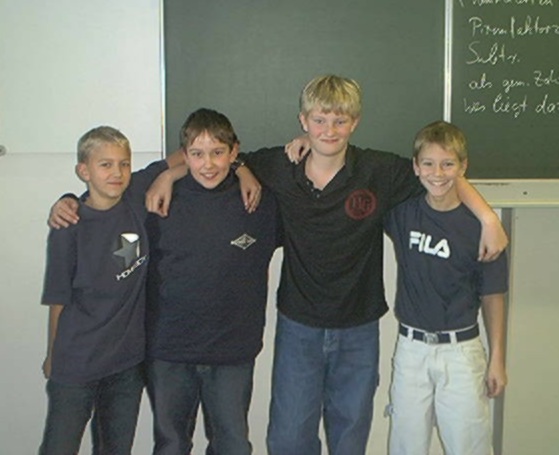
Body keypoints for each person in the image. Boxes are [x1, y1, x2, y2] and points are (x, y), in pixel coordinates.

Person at [146, 75, 508, 455]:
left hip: (359, 328)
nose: (329, 130)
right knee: (288, 440)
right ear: (303, 121)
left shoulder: (378, 170)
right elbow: (218, 157)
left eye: (340, 121)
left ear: (355, 122)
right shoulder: (280, 165)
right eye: (319, 120)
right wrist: (171, 174)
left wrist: (488, 218)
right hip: (299, 327)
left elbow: (441, 171)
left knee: (349, 437)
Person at [48, 109, 281, 455]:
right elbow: (103, 198)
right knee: (171, 444)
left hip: (232, 351)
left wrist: (242, 169)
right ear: (184, 155)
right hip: (168, 350)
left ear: (234, 153)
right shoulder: (154, 198)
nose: (208, 164)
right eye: (197, 154)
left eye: (219, 153)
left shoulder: (259, 201)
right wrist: (67, 202)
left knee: (233, 443)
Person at [39, 126, 183, 454]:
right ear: (84, 171)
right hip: (77, 364)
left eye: (124, 164)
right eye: (105, 165)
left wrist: (167, 176)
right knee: (59, 447)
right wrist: (53, 355)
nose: (117, 173)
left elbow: (189, 158)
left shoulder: (136, 194)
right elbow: (58, 300)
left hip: (126, 366)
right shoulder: (68, 225)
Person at [384, 121, 508, 455]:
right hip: (411, 350)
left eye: (448, 164)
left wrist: (497, 358)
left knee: (469, 446)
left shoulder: (483, 229)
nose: (437, 173)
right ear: (415, 166)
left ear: (463, 167)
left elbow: (493, 296)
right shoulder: (402, 214)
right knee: (405, 446)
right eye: (428, 163)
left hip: (461, 353)